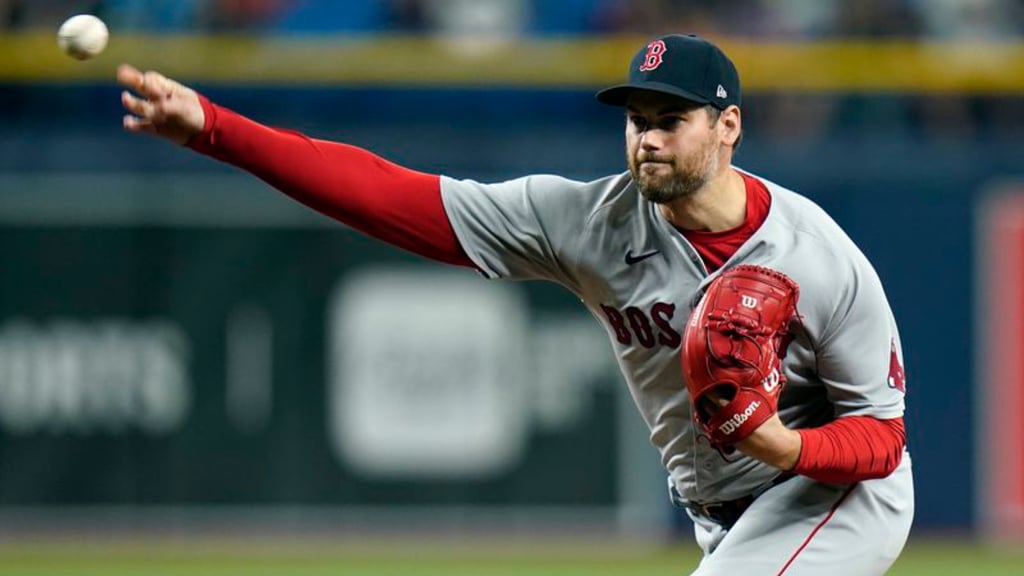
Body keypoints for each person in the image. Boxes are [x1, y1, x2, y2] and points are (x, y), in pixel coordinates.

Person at [116, 33, 914, 575]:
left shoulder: (818, 256)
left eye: (671, 120)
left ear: (729, 125)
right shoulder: (587, 222)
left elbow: (881, 439)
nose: (648, 140)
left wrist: (783, 447)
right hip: (723, 512)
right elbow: (394, 196)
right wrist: (214, 130)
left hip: (835, 492)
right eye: (638, 121)